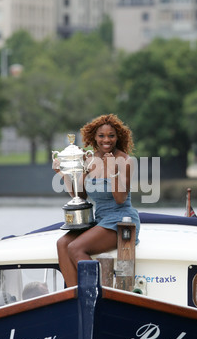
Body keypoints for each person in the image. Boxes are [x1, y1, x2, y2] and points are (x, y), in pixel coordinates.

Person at [53, 114, 140, 287]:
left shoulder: (125, 161)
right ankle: (74, 295)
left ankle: (96, 293)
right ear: (94, 137)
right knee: (62, 243)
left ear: (118, 137)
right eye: (101, 136)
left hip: (120, 220)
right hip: (99, 219)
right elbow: (81, 195)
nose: (106, 140)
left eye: (111, 135)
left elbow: (120, 199)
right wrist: (61, 174)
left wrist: (112, 170)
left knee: (75, 248)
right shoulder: (89, 159)